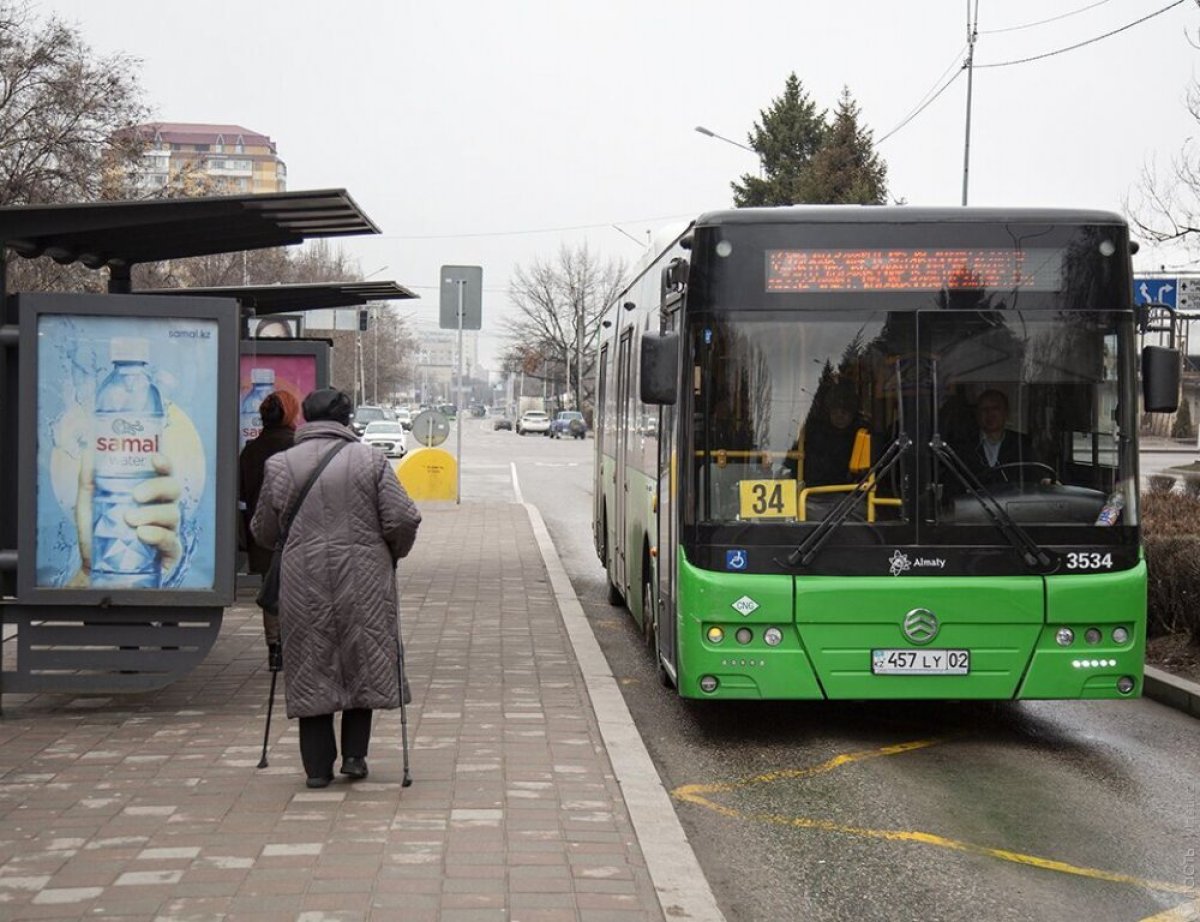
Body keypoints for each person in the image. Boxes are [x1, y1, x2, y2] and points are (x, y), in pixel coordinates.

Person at [251, 387, 421, 789]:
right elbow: (403, 518)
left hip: (301, 582)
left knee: (310, 664)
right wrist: (391, 553)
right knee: (362, 658)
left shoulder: (280, 465)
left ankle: (316, 769)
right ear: (347, 420)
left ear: (306, 419)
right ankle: (355, 757)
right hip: (364, 578)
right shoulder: (370, 460)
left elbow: (264, 530)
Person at [784, 382, 868, 486]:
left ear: (853, 412)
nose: (840, 415)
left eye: (845, 411)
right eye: (835, 410)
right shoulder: (813, 432)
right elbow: (791, 463)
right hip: (808, 490)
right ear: (828, 410)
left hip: (849, 492)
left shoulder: (863, 434)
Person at [953, 388, 1038, 483]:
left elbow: (1034, 478)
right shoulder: (964, 445)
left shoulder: (1022, 443)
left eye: (995, 408)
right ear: (977, 414)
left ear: (1006, 412)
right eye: (984, 409)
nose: (990, 414)